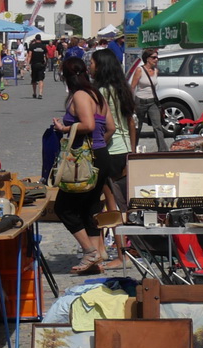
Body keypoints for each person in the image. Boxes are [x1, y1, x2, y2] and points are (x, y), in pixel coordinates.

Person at [52, 58, 113, 273]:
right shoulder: (98, 95)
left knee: (63, 207)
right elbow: (110, 127)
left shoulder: (79, 95)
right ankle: (97, 260)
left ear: (66, 76)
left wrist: (64, 129)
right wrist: (98, 146)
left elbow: (87, 124)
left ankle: (89, 251)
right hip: (101, 155)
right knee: (91, 207)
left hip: (85, 160)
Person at [90, 46, 137, 249]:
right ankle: (132, 245)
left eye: (92, 63)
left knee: (112, 206)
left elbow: (108, 127)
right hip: (125, 149)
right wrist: (133, 151)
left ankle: (120, 253)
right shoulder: (123, 89)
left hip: (110, 151)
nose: (90, 67)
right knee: (126, 203)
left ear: (101, 67)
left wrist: (94, 146)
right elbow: (131, 123)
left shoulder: (100, 93)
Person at [126, 47, 168, 152]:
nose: (156, 59)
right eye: (154, 57)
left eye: (157, 57)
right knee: (137, 127)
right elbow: (132, 87)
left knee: (157, 126)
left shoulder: (156, 71)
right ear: (147, 58)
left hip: (152, 101)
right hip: (140, 101)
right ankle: (133, 149)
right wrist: (132, 103)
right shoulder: (140, 70)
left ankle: (163, 150)